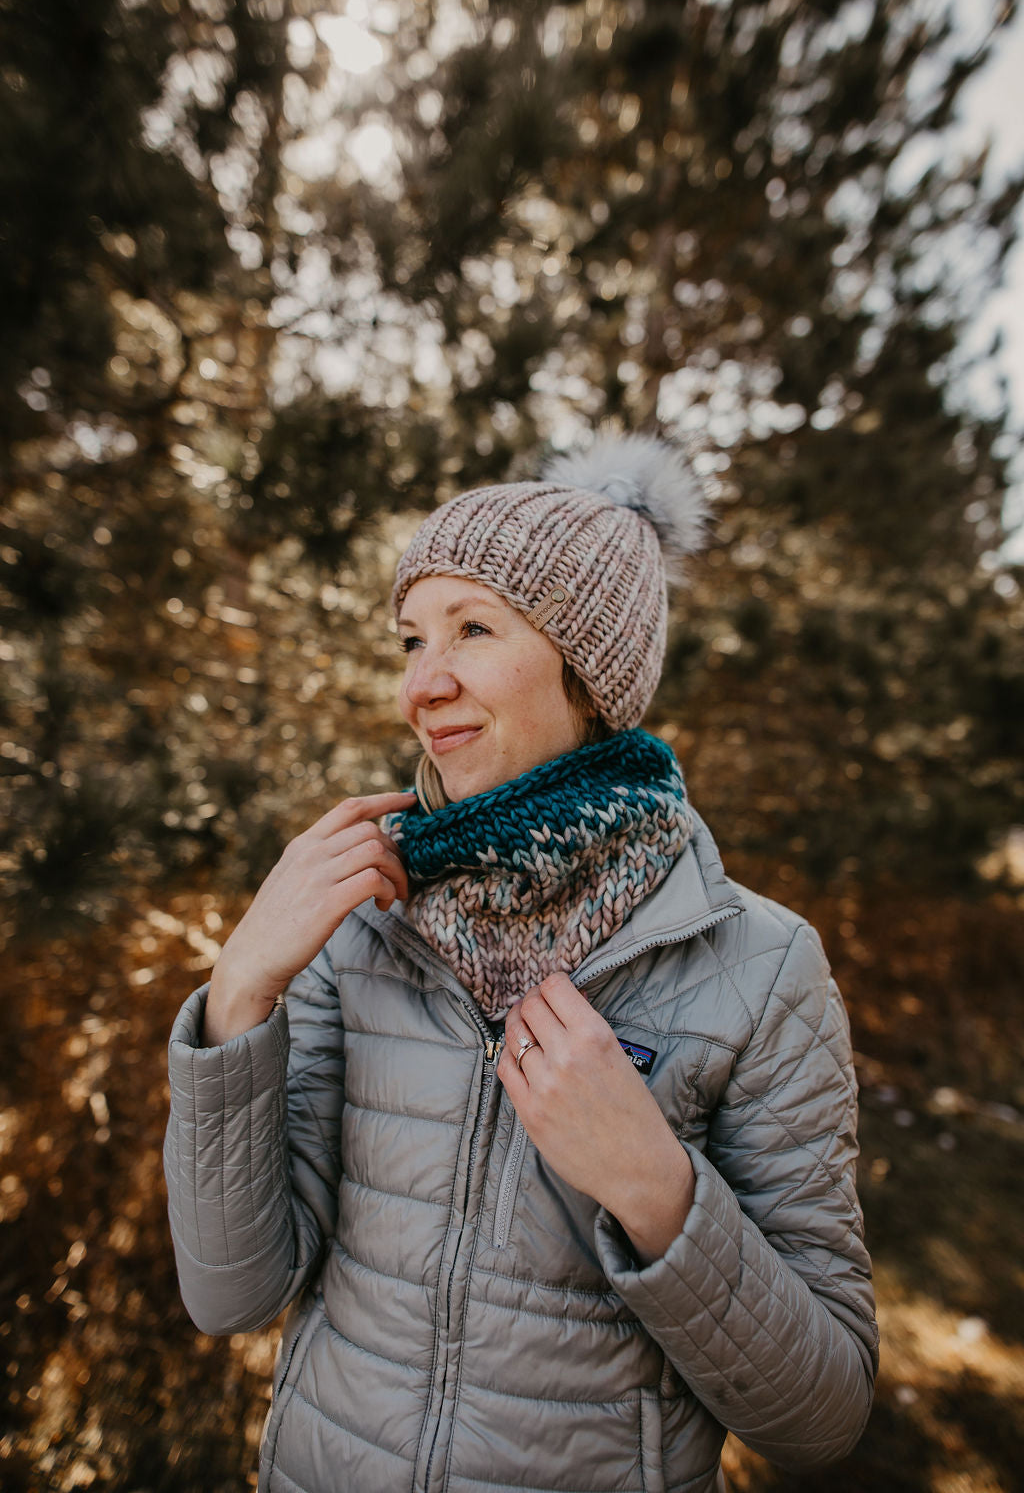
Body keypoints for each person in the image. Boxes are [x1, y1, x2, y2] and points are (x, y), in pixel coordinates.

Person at [164, 432, 878, 1493]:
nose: (422, 684)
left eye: (472, 630)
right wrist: (240, 994)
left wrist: (656, 1189)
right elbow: (231, 1295)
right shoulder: (359, 923)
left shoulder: (760, 966)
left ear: (588, 674)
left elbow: (823, 1420)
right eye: (410, 641)